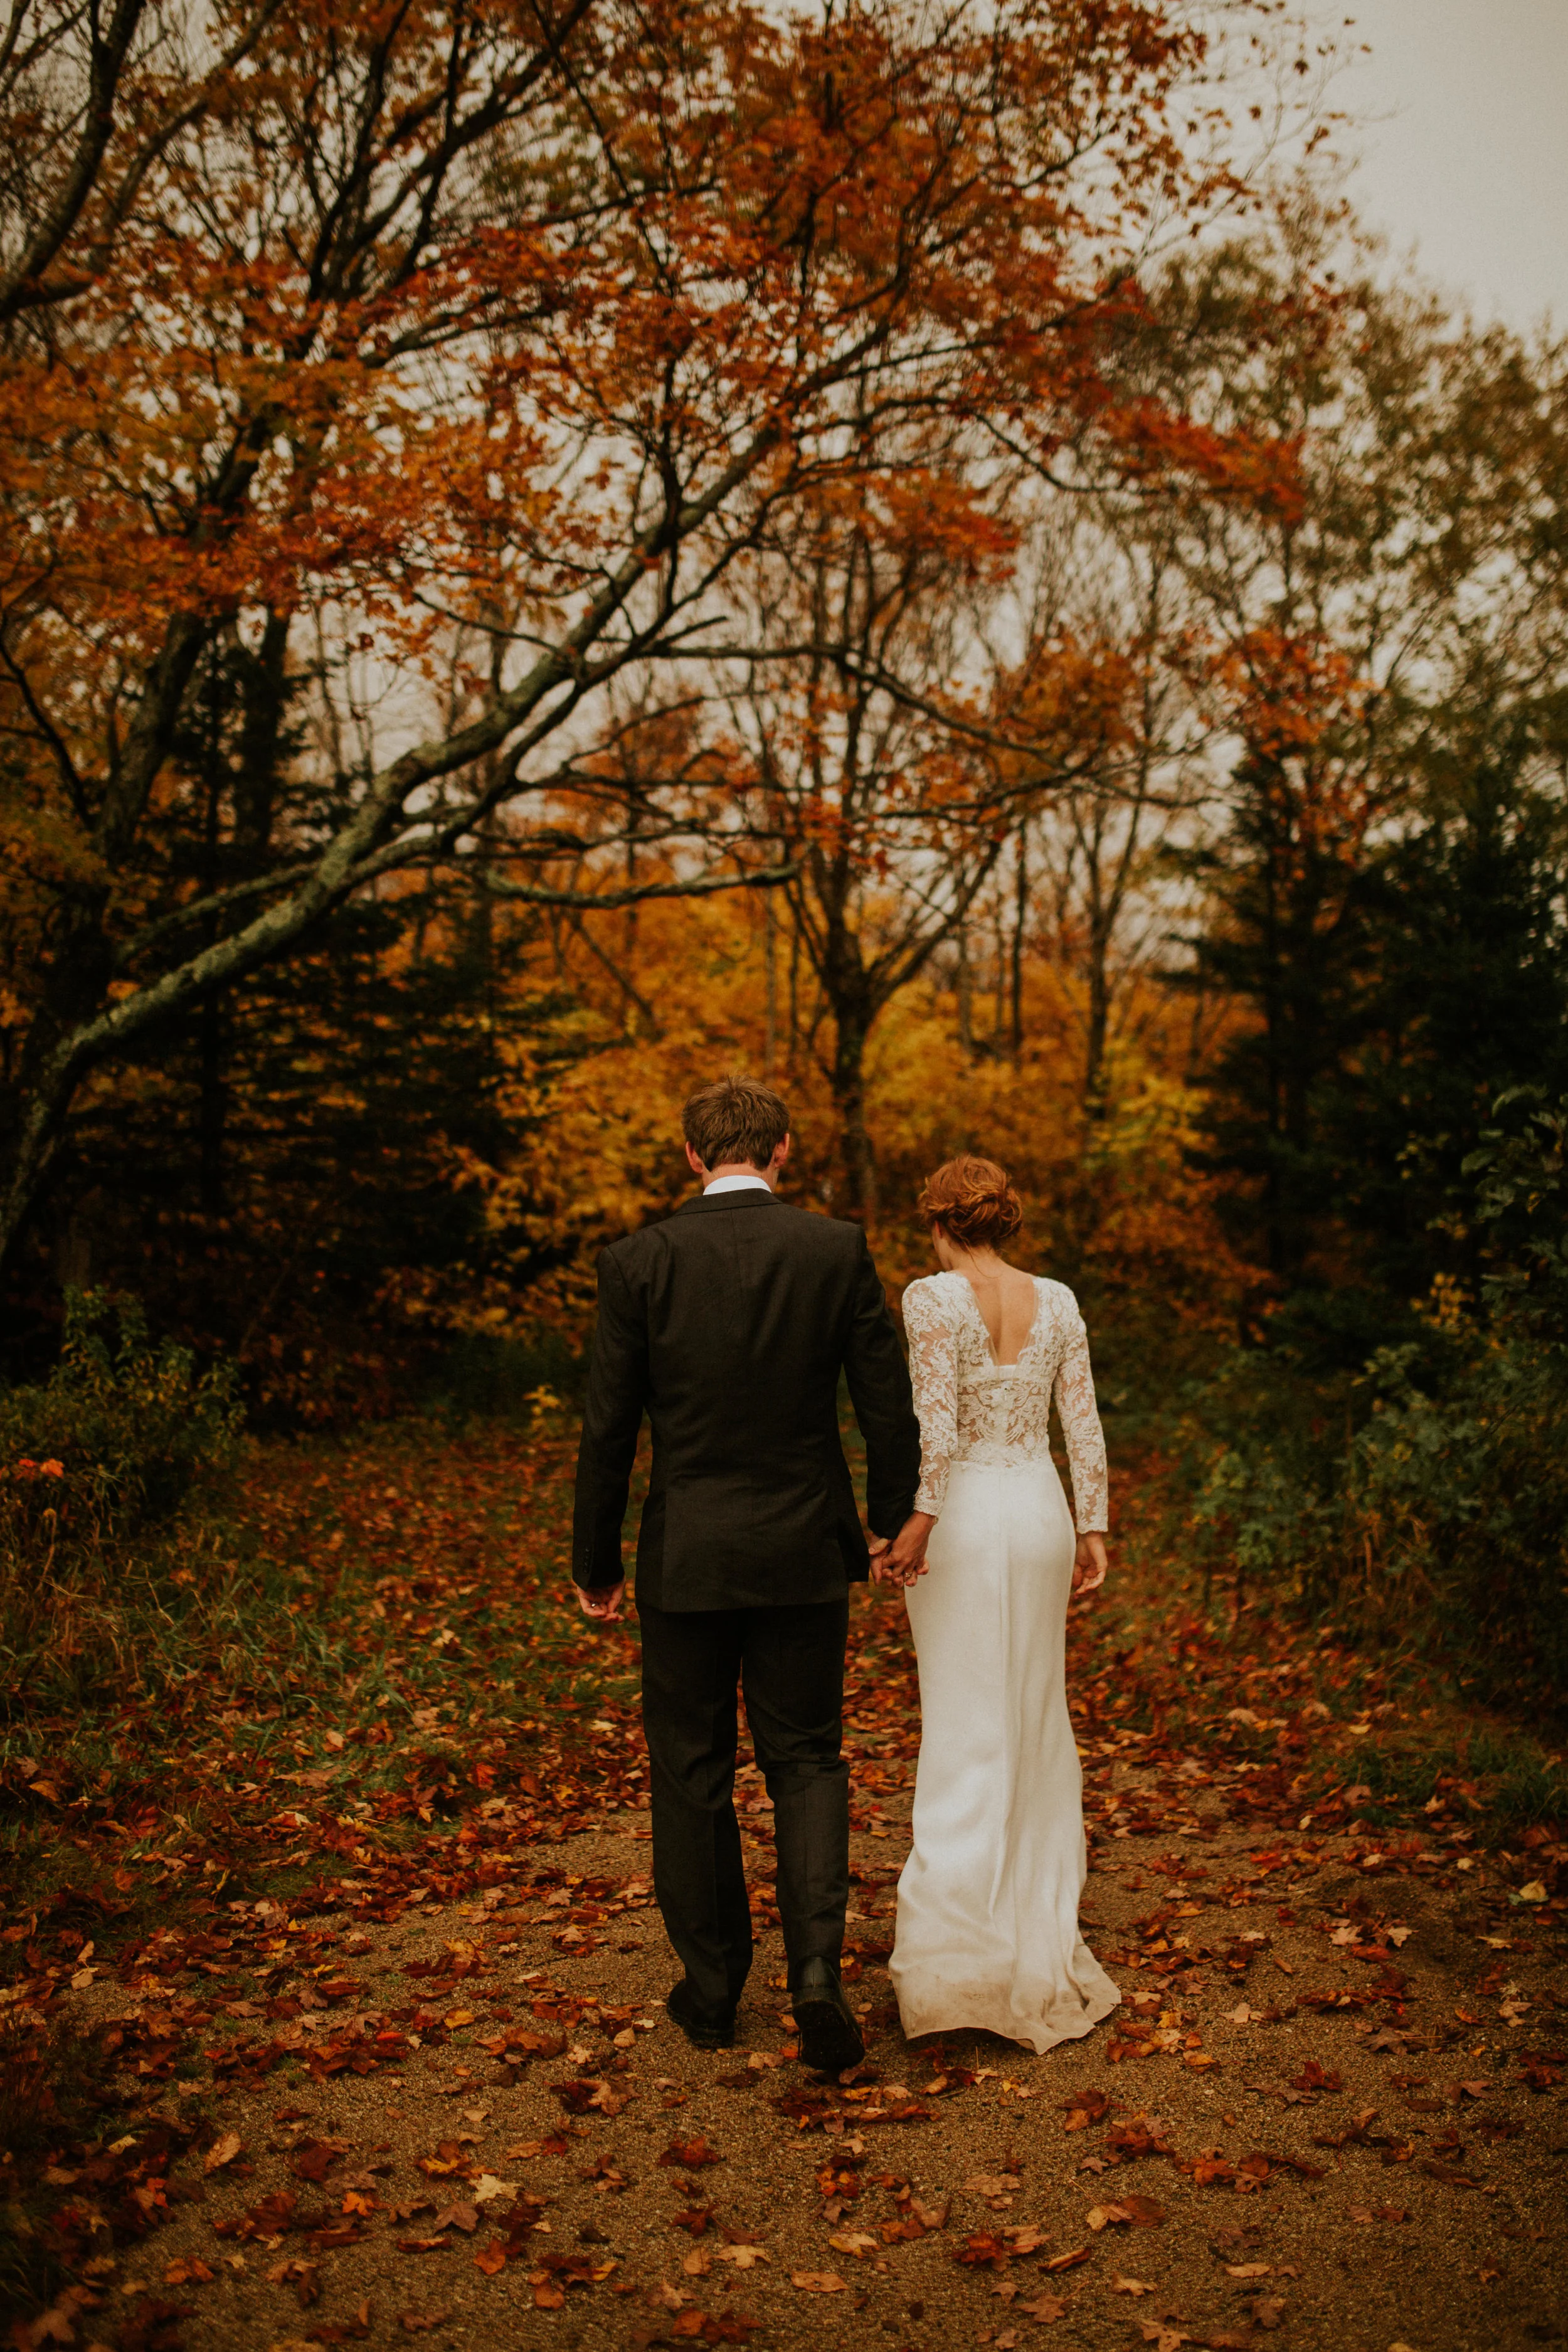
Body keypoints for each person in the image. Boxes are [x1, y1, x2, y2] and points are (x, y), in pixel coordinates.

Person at [571, 1076, 925, 2068]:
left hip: (687, 1557)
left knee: (692, 1771)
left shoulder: (637, 1261)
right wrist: (892, 1518)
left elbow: (608, 1427)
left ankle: (715, 1989)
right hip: (807, 1546)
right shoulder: (833, 1248)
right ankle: (816, 1971)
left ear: (692, 1155)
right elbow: (885, 1401)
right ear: (782, 1150)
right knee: (807, 1758)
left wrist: (594, 1561)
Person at [875, 1154, 1120, 2053]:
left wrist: (917, 1519)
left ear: (937, 1220)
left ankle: (955, 1959)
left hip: (970, 1517)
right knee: (1032, 1713)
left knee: (965, 1719)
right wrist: (1092, 1524)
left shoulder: (930, 1296)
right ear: (1004, 1219)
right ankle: (1029, 1922)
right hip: (1041, 1511)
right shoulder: (1055, 1296)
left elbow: (932, 1424)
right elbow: (1081, 1418)